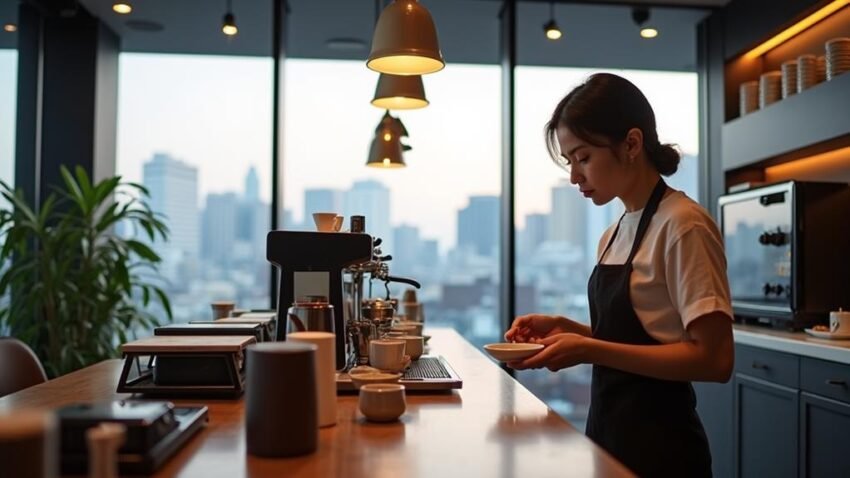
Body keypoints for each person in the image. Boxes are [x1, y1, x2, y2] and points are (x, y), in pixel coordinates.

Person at [504, 73, 733, 478]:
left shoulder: (683, 225)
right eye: (569, 162)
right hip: (608, 439)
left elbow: (714, 359)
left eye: (583, 157)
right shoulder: (614, 233)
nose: (574, 176)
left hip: (664, 450)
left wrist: (589, 349)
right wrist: (567, 329)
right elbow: (643, 337)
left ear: (631, 143)